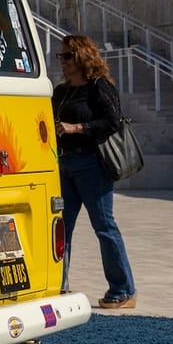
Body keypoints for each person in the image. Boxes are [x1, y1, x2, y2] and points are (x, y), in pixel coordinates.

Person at [54, 34, 137, 309]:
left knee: (104, 226)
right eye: (61, 56)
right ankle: (58, 285)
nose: (63, 61)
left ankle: (123, 290)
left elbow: (113, 121)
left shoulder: (99, 87)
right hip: (64, 165)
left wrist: (77, 128)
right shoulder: (62, 91)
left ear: (82, 56)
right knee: (61, 227)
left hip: (91, 165)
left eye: (68, 55)